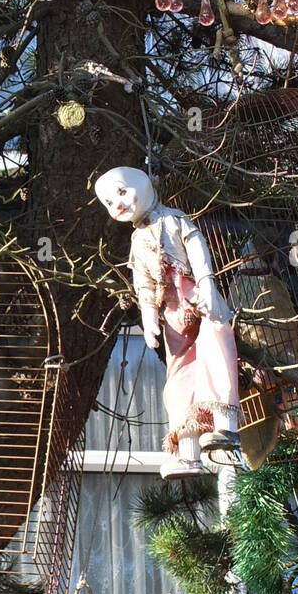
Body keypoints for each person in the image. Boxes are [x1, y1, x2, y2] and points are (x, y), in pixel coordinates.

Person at [93, 166, 240, 478]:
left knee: (216, 346)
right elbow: (142, 283)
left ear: (144, 185)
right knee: (179, 374)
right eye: (109, 202)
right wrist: (148, 318)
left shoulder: (174, 219)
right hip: (171, 311)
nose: (117, 204)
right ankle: (187, 451)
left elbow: (198, 249)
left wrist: (208, 283)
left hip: (195, 294)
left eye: (121, 192)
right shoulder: (136, 240)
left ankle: (226, 429)